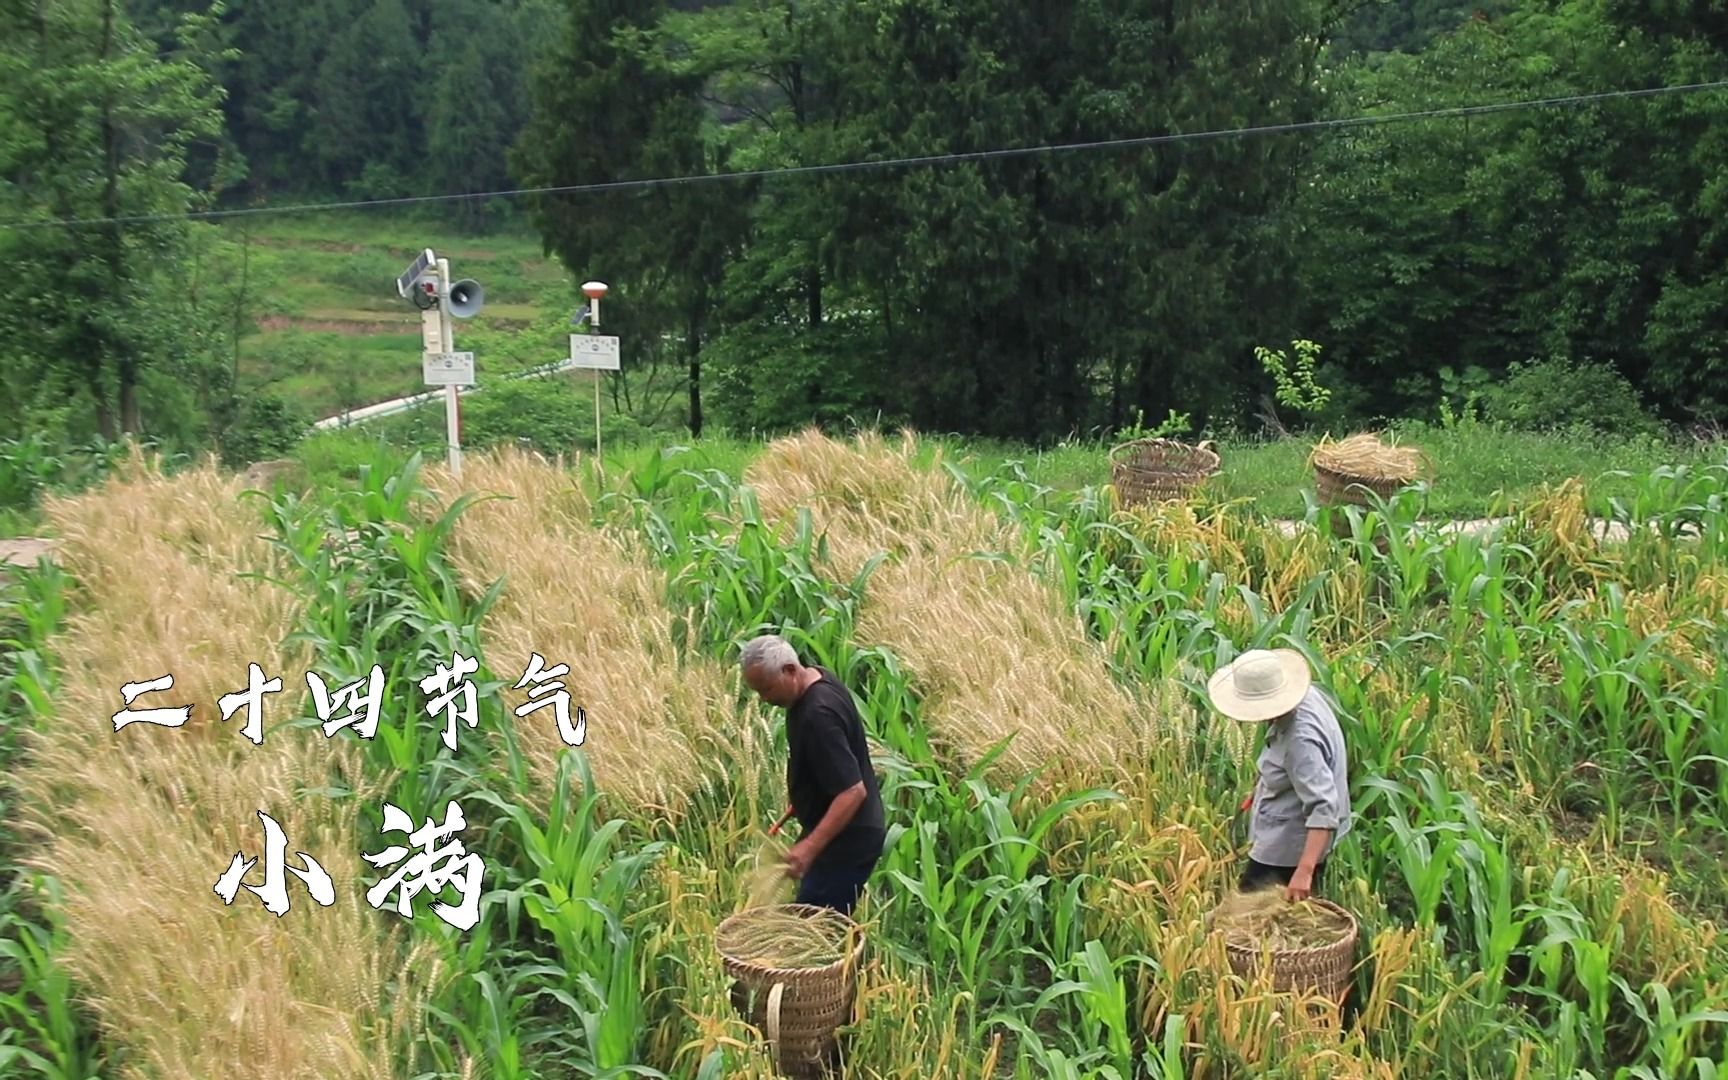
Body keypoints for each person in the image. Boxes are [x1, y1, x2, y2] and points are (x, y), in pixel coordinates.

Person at [740, 634, 886, 916]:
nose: (764, 699)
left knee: (813, 928)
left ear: (790, 670)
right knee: (817, 917)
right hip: (842, 830)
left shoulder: (818, 715)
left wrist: (809, 847)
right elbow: (835, 762)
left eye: (767, 689)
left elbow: (852, 791)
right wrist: (807, 798)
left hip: (848, 840)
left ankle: (846, 961)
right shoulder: (818, 678)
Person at [1207, 648, 1351, 901]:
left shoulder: (1300, 740)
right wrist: (1266, 786)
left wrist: (1303, 872)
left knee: (1250, 923)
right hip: (1284, 833)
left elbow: (1324, 809)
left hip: (1287, 853)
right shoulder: (1308, 695)